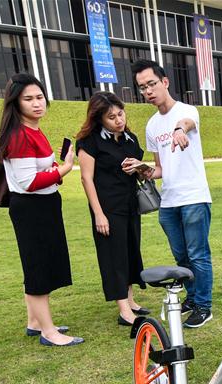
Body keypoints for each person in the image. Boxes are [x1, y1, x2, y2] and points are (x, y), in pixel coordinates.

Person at [0, 73, 82, 347]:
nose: (36, 103)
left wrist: (56, 171)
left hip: (44, 205)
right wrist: (65, 168)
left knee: (39, 263)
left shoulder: (33, 130)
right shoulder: (19, 135)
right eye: (28, 99)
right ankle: (48, 331)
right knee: (38, 266)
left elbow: (39, 172)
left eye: (39, 97)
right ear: (15, 103)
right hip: (32, 208)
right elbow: (29, 182)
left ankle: (35, 322)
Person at [128, 59, 213, 328]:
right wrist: (143, 169)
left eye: (151, 84)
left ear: (165, 82)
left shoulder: (187, 111)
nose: (148, 91)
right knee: (181, 256)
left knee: (198, 254)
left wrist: (178, 129)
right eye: (142, 88)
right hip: (169, 201)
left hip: (194, 198)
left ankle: (203, 306)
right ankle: (192, 296)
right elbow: (161, 169)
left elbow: (187, 123)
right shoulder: (152, 125)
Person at [75, 92, 149, 327]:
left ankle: (130, 299)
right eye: (111, 117)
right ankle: (124, 310)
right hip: (107, 208)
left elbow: (141, 171)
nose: (118, 120)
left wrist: (139, 166)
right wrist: (98, 213)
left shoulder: (129, 139)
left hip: (130, 205)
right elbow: (86, 179)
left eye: (120, 113)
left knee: (129, 252)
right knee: (113, 256)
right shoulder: (90, 141)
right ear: (99, 119)